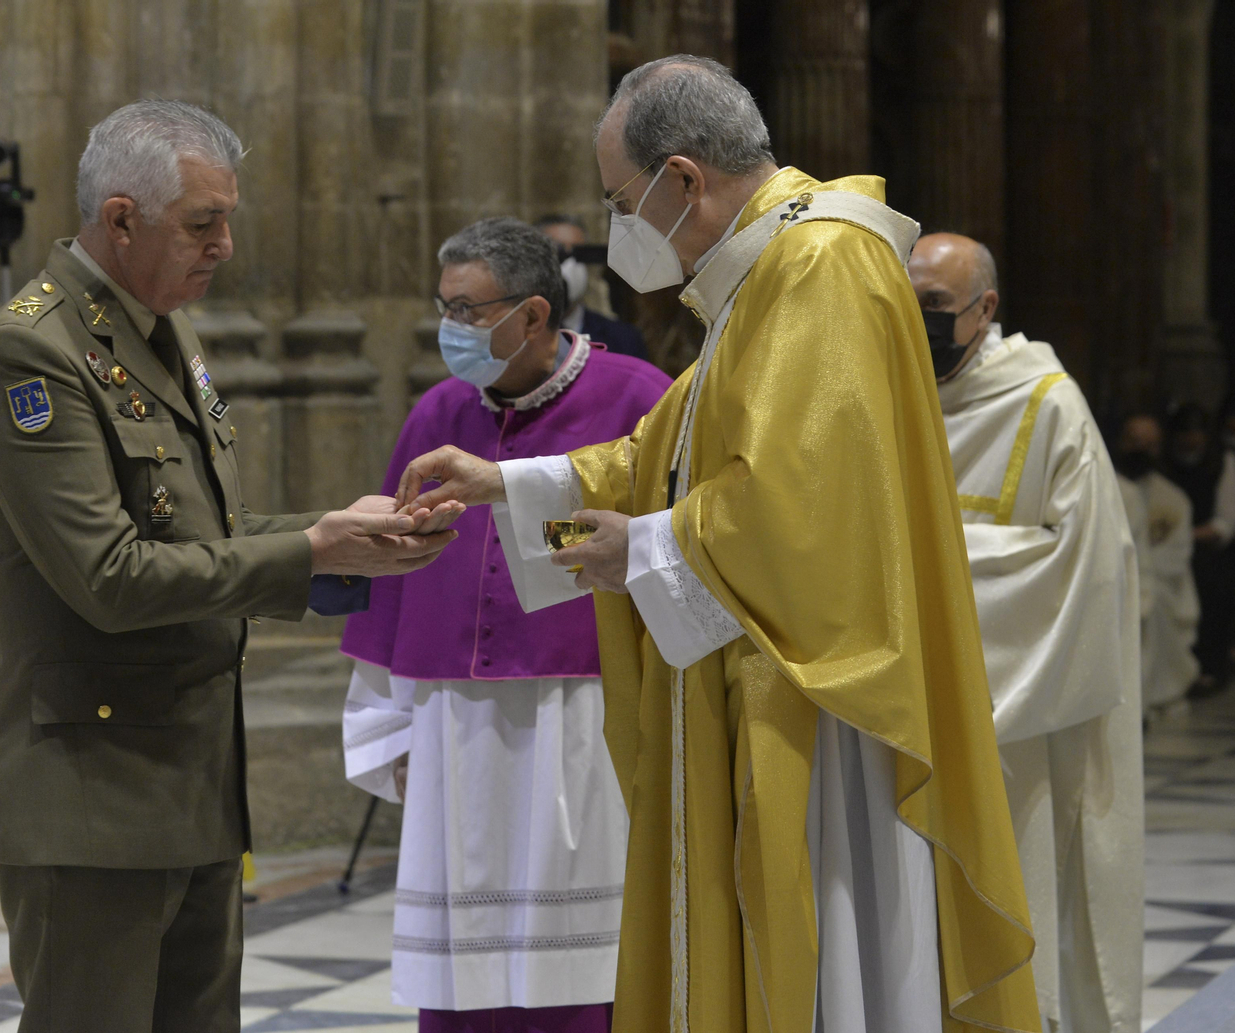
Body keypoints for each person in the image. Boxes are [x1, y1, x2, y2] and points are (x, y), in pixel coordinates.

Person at [394, 56, 1038, 1033]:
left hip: (823, 695)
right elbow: (673, 450)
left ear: (682, 179)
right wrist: (507, 486)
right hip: (779, 666)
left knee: (833, 950)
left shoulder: (818, 262)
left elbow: (801, 509)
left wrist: (645, 549)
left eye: (622, 200)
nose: (621, 227)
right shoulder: (771, 269)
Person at [0, 100, 460, 1033]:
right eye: (203, 223)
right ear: (120, 219)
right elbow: (110, 576)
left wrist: (340, 528)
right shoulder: (33, 352)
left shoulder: (163, 332)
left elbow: (203, 529)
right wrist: (311, 551)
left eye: (226, 218)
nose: (225, 245)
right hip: (92, 794)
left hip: (189, 779)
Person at [339, 217, 671, 1032]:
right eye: (444, 308)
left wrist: (524, 508)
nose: (451, 329)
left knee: (584, 970)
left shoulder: (638, 398)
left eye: (467, 309)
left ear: (531, 315)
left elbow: (637, 545)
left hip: (585, 724)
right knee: (463, 976)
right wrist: (390, 726)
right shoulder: (437, 412)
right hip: (456, 733)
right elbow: (391, 574)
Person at [914, 230, 1144, 1032]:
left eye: (935, 306)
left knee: (1011, 901)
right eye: (905, 299)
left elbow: (1084, 566)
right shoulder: (880, 389)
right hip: (900, 711)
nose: (916, 320)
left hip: (1013, 710)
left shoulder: (1047, 403)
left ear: (986, 309)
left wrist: (920, 571)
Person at [1114, 413, 1201, 711]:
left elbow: (1175, 555)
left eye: (1149, 443)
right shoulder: (1104, 486)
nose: (1140, 449)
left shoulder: (1173, 499)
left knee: (1152, 602)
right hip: (1113, 578)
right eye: (1134, 441)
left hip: (1155, 582)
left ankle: (1152, 696)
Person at [1166, 404, 1235, 697]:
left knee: (1209, 613)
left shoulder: (1222, 462)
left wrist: (1189, 535)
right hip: (1168, 554)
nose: (1190, 440)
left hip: (1207, 555)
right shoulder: (1164, 463)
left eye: (1196, 432)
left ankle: (1209, 672)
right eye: (1184, 432)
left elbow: (1226, 521)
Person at [534, 214, 651, 361]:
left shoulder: (622, 338)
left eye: (579, 254)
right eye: (559, 254)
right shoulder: (518, 333)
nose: (571, 266)